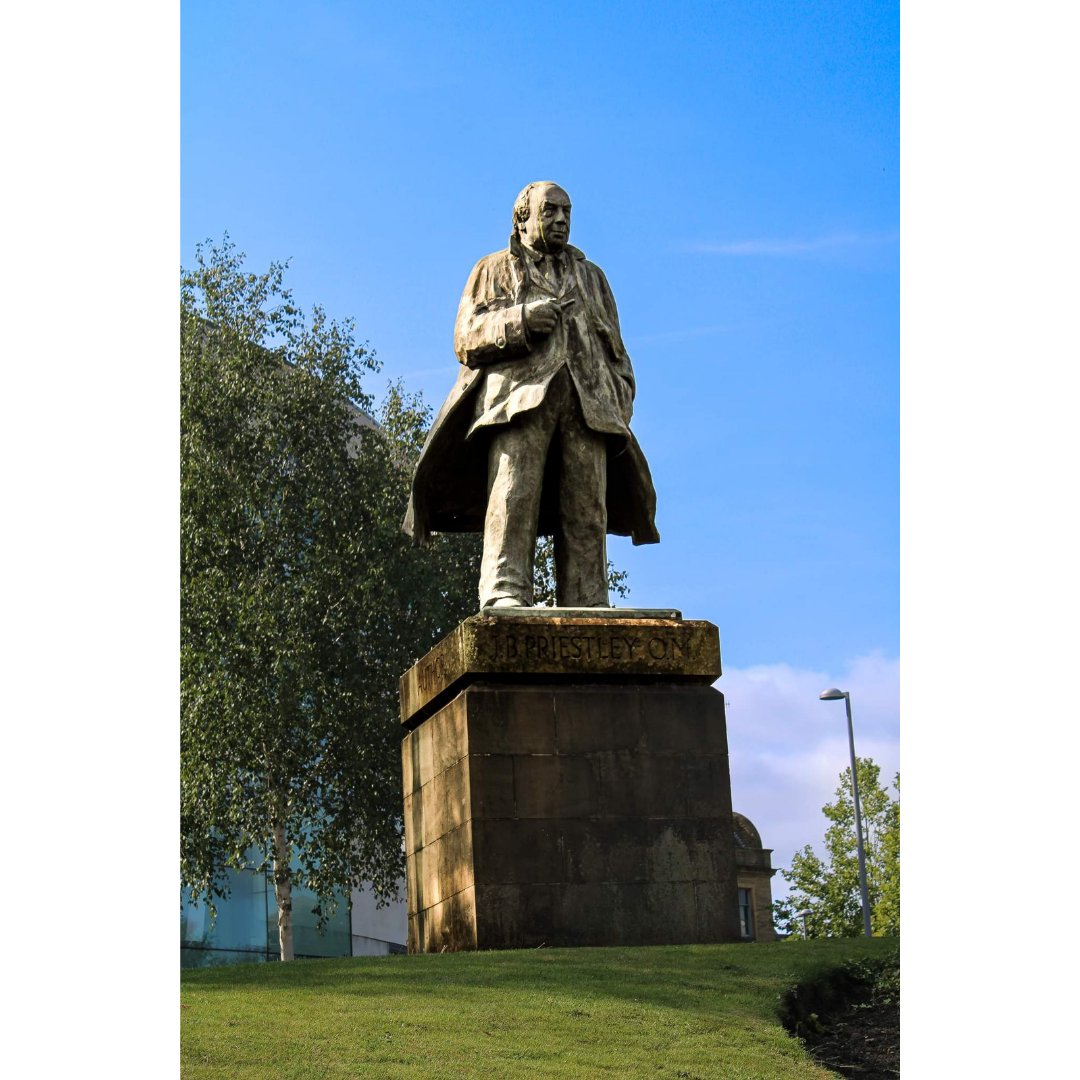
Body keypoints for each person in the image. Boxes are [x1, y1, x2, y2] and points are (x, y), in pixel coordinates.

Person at [403, 181, 658, 608]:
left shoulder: (593, 278)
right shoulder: (493, 269)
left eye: (567, 212)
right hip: (516, 401)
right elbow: (465, 337)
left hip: (587, 405)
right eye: (550, 211)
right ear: (522, 220)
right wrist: (520, 321)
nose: (561, 220)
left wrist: (618, 400)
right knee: (513, 494)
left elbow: (617, 352)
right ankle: (505, 591)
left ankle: (588, 597)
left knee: (587, 508)